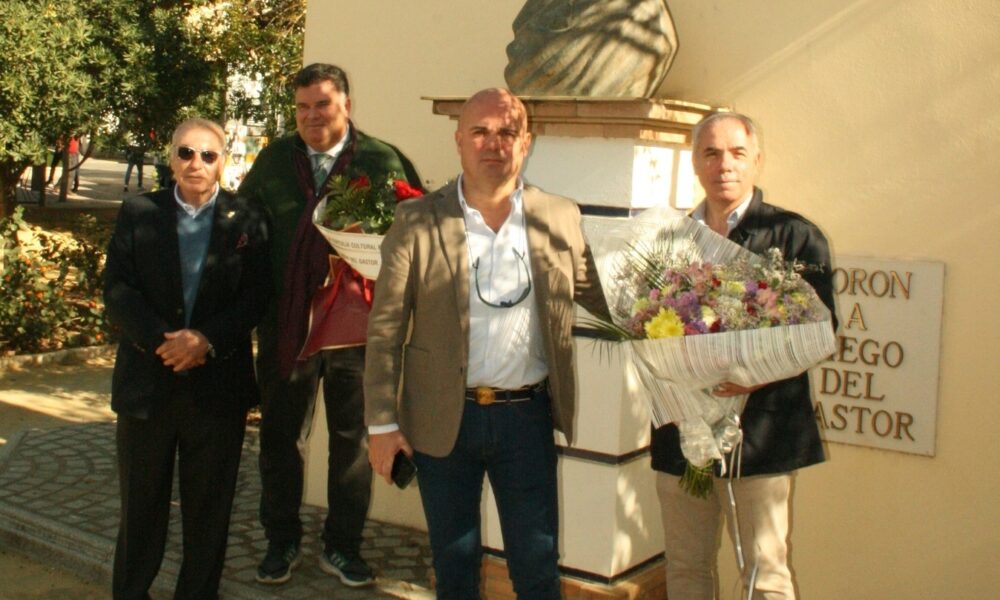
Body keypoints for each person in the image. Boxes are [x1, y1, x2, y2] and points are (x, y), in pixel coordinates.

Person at [365, 88, 610, 599]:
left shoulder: (560, 216)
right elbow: (385, 329)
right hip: (441, 420)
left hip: (526, 419)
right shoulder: (418, 222)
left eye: (506, 133)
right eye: (480, 131)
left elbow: (600, 296)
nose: (492, 144)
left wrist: (681, 318)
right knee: (454, 569)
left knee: (537, 565)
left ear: (526, 142)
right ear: (459, 140)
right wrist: (383, 424)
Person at [238, 62, 421, 588]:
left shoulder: (381, 160)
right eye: (302, 107)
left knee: (353, 441)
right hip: (288, 326)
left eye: (322, 104)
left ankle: (342, 546)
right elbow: (245, 234)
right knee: (280, 438)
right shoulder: (274, 161)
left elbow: (412, 236)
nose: (312, 115)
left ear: (346, 104)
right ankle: (281, 540)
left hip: (357, 330)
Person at [649, 112, 836, 600]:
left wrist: (749, 375)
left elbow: (818, 331)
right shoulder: (668, 240)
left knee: (765, 575)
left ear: (756, 159)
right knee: (686, 568)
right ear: (694, 162)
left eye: (735, 153)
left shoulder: (795, 237)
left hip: (760, 435)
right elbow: (644, 325)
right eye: (710, 153)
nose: (723, 165)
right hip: (682, 432)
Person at [104, 117, 270, 599]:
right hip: (147, 387)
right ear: (171, 157)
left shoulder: (250, 218)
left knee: (208, 513)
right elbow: (117, 290)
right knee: (140, 512)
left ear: (223, 162)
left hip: (216, 391)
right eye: (185, 153)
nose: (195, 163)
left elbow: (257, 296)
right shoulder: (139, 212)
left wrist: (205, 340)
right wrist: (167, 341)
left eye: (207, 155)